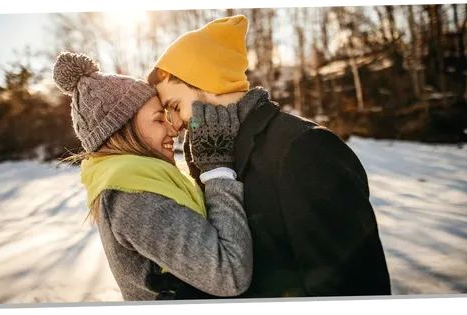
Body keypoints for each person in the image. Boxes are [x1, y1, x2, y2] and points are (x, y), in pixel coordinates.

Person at [146, 15, 392, 298]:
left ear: (209, 82)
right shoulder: (211, 158)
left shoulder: (305, 148)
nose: (175, 125)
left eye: (175, 106)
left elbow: (354, 288)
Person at [52, 52, 253, 301]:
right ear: (123, 130)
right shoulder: (132, 195)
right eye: (159, 120)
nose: (173, 129)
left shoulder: (145, 180)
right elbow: (229, 274)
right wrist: (218, 171)